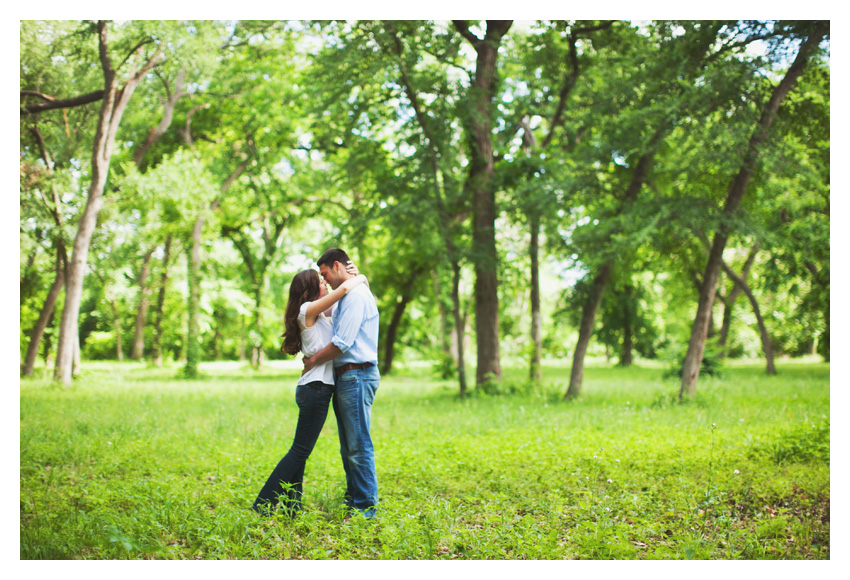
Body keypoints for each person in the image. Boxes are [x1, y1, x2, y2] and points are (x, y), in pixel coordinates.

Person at [253, 263, 367, 515]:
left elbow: (344, 298)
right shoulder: (306, 310)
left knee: (301, 451)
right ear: (309, 289)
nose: (326, 283)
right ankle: (263, 503)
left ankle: (294, 506)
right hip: (315, 389)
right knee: (300, 450)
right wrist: (359, 277)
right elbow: (344, 289)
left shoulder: (318, 315)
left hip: (315, 389)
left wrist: (353, 274)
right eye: (321, 281)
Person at [303, 248, 380, 518]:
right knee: (349, 445)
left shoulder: (356, 297)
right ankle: (354, 498)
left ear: (336, 265)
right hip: (348, 376)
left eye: (325, 274)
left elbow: (342, 343)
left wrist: (312, 361)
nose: (325, 281)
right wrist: (359, 278)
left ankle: (365, 507)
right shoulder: (349, 295)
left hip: (356, 375)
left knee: (358, 444)